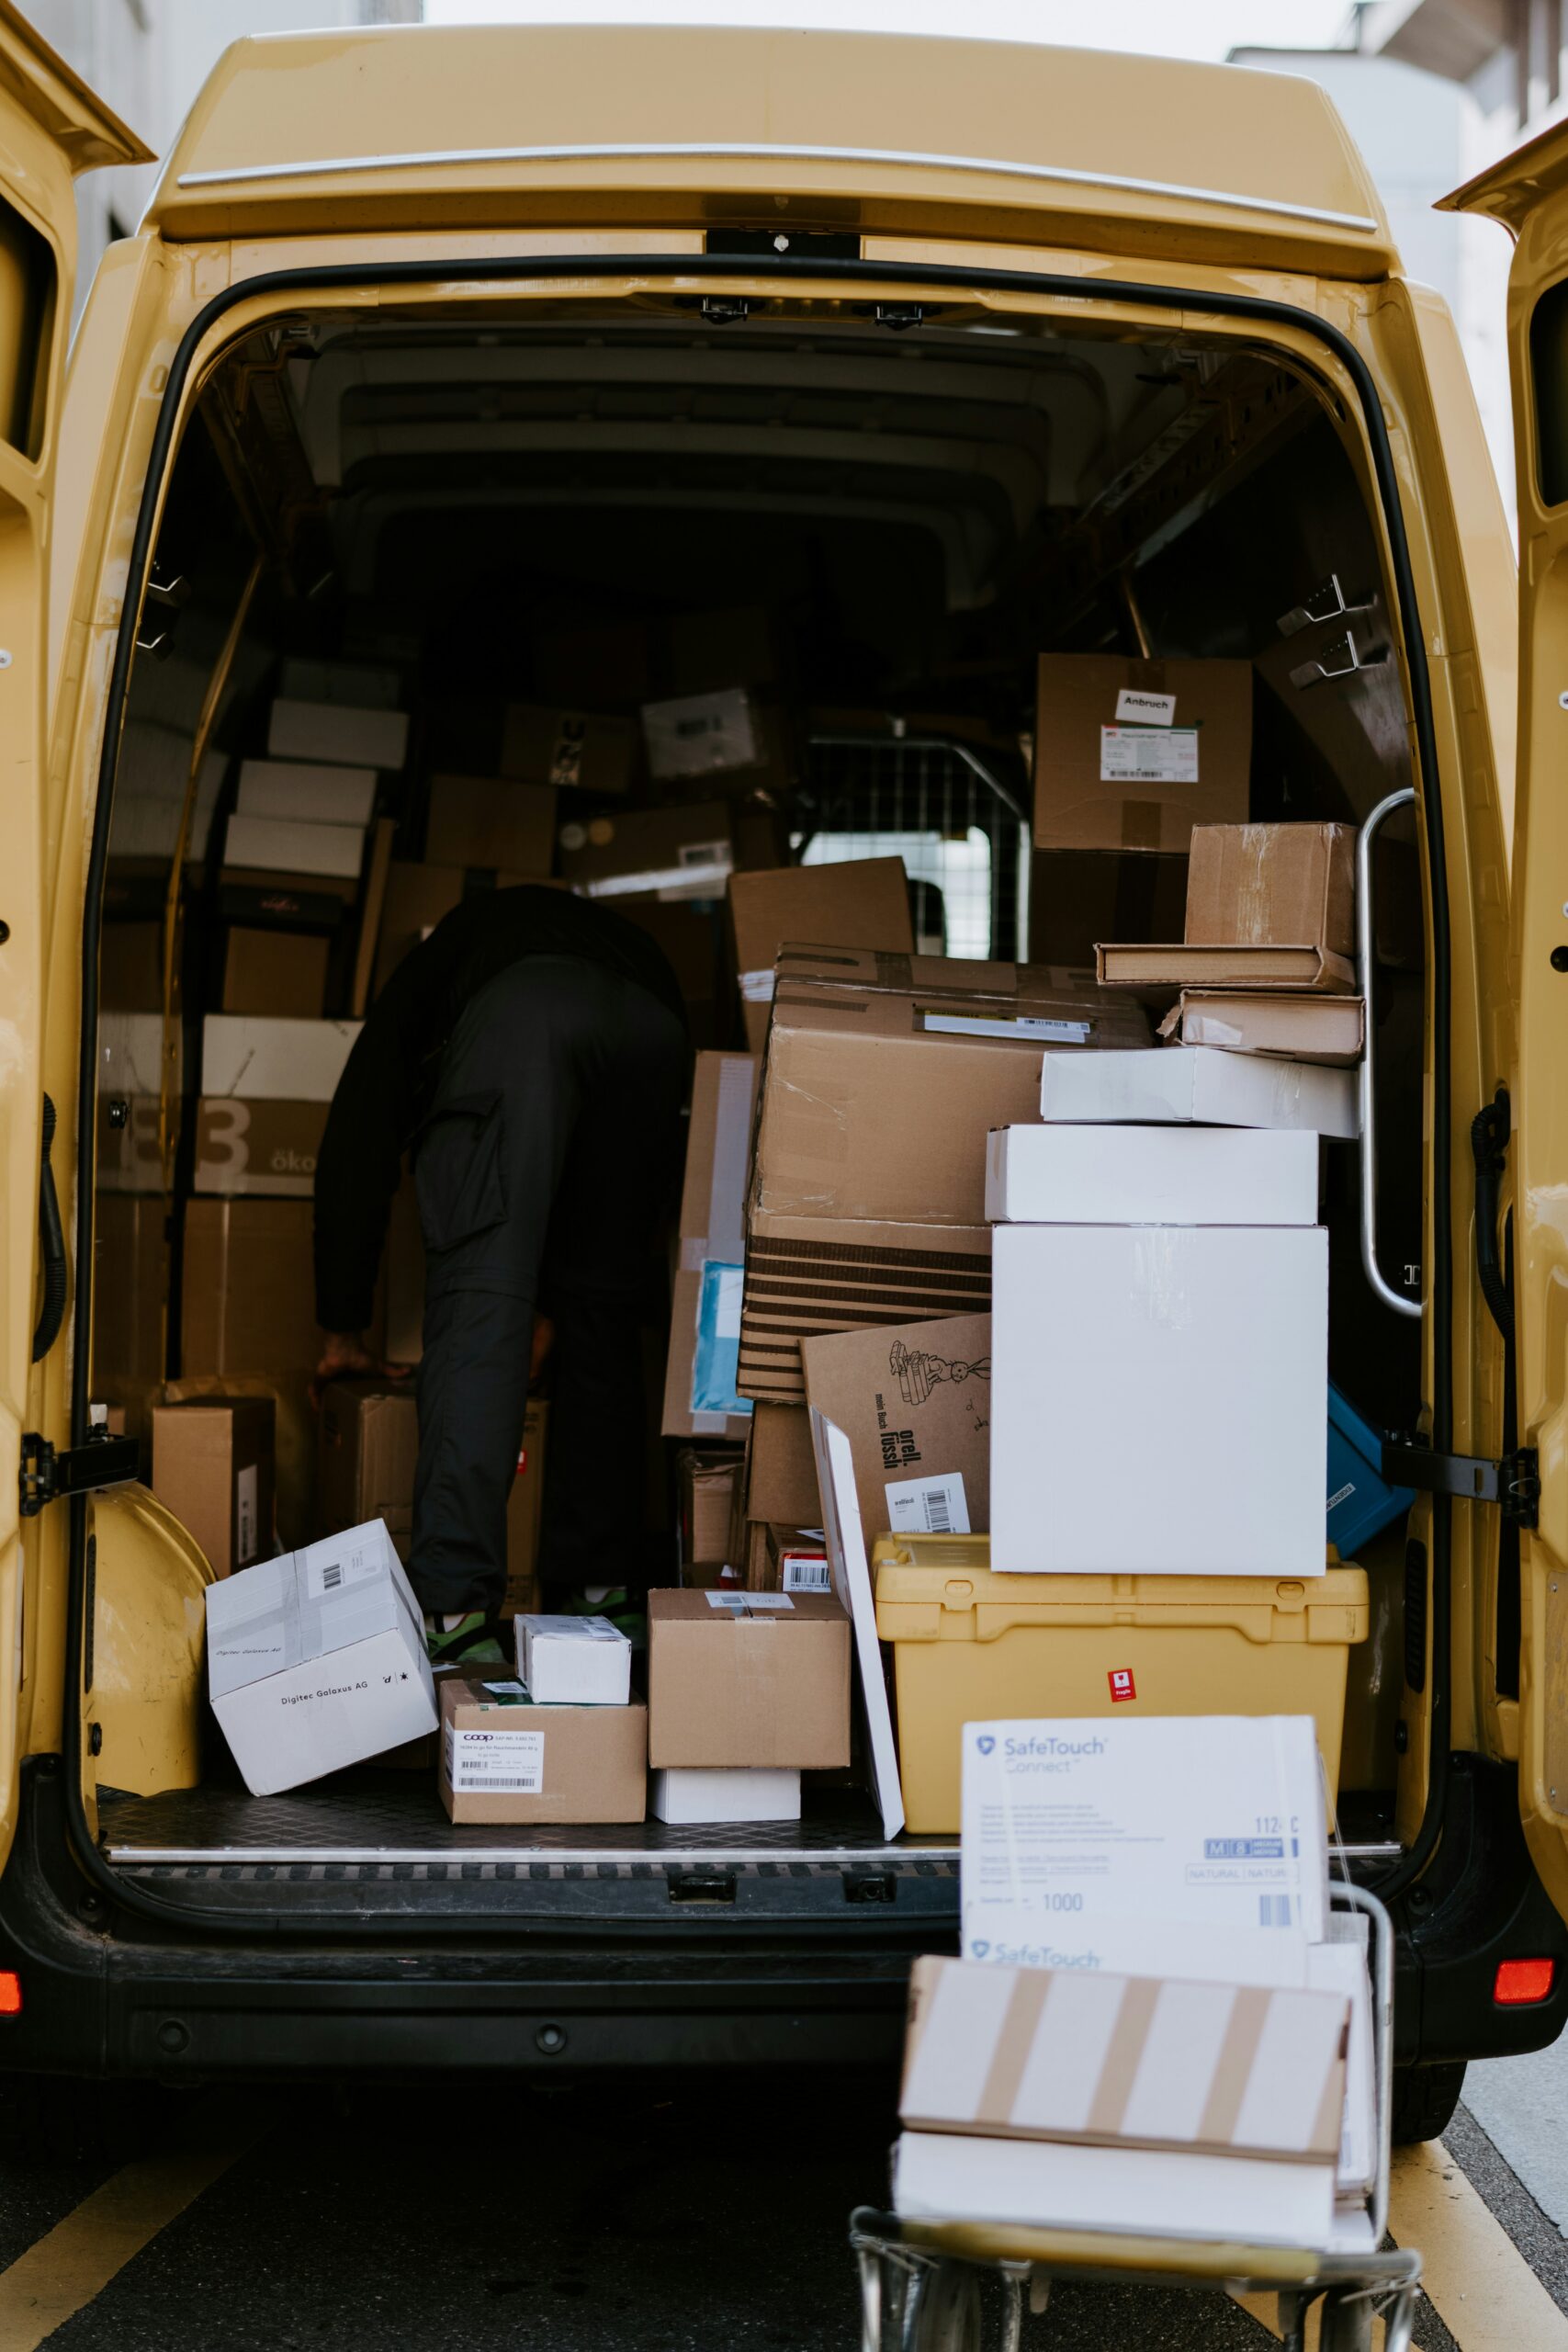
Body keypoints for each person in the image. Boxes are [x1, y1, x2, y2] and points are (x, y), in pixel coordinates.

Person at [312, 885, 689, 1657]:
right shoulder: (593, 938)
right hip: (657, 1029)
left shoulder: (434, 977)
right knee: (603, 1310)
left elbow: (358, 1141)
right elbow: (572, 1190)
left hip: (528, 1016)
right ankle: (602, 1591)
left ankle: (454, 1614)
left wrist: (342, 1322)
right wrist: (552, 1300)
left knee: (483, 1299)